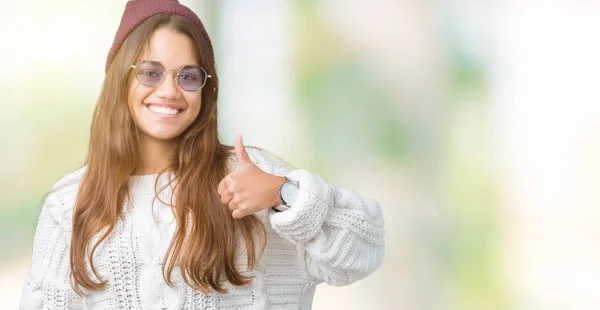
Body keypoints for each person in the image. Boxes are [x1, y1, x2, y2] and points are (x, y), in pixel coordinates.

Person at [20, 0, 385, 308]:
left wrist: (283, 193)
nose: (169, 91)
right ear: (121, 80)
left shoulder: (247, 178)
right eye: (151, 73)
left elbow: (362, 253)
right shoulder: (71, 203)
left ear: (205, 89)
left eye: (188, 76)